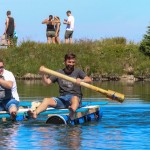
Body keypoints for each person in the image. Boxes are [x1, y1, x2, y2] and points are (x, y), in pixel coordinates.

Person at [28, 53, 92, 119]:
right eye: (69, 62)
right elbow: (47, 83)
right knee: (46, 100)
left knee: (74, 98)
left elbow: (89, 80)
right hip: (62, 99)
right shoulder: (59, 72)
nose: (71, 64)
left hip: (75, 99)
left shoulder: (78, 71)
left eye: (73, 62)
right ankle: (35, 113)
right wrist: (43, 74)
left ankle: (72, 112)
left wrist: (81, 80)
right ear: (64, 62)